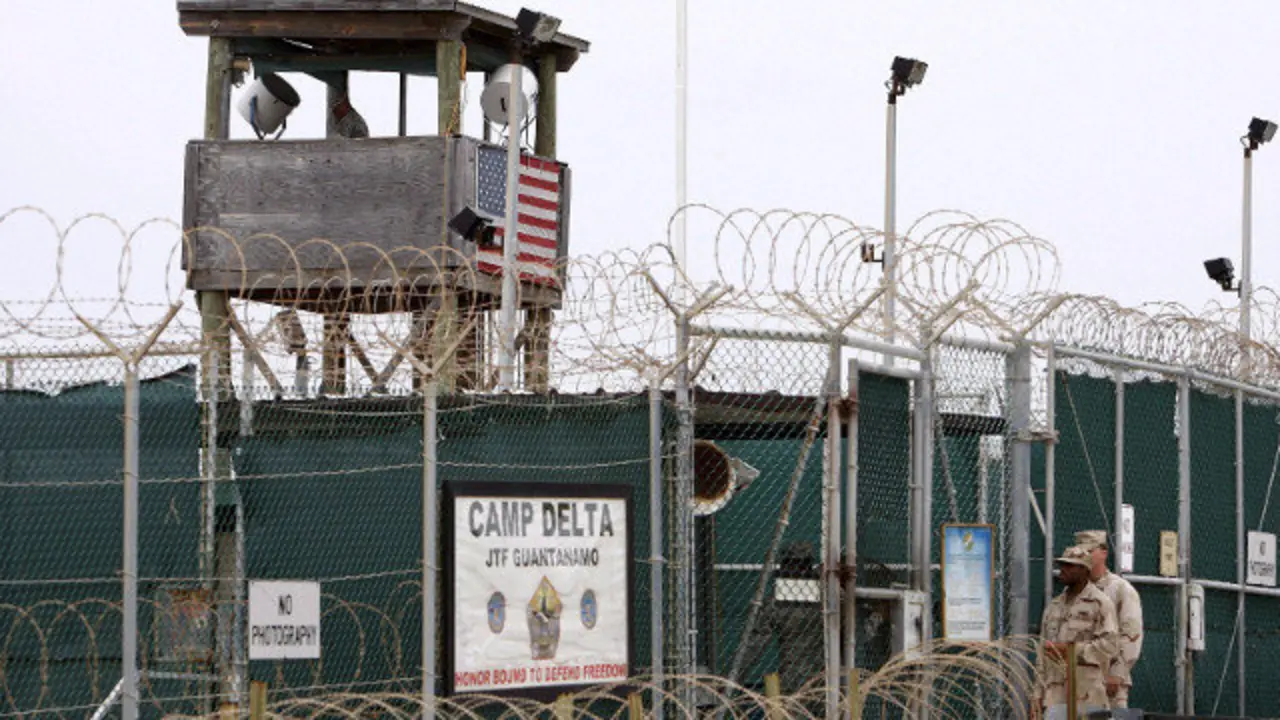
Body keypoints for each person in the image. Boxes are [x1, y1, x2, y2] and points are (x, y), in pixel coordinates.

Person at [1034, 546, 1119, 720]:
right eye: (1062, 564)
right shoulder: (1053, 607)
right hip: (1054, 696)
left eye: (1070, 565)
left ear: (1084, 570)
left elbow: (1110, 645)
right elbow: (1042, 655)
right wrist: (1036, 696)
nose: (1063, 569)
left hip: (1087, 695)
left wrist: (1072, 651)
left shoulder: (1100, 603)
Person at [1075, 529, 1144, 709]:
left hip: (1109, 682)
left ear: (1103, 553)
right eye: (1081, 552)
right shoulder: (1075, 591)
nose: (1085, 557)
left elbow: (1131, 634)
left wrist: (1117, 673)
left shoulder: (1120, 589)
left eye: (1090, 551)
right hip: (1079, 680)